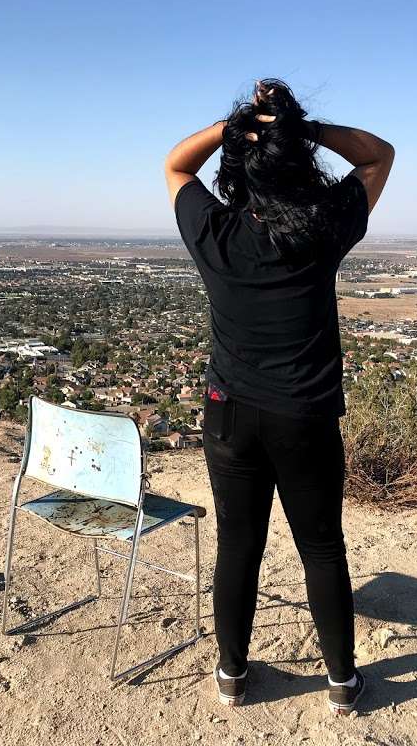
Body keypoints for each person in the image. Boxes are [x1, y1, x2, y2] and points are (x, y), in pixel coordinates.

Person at [164, 79, 393, 715]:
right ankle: (343, 683)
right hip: (305, 416)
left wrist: (241, 125)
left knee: (239, 543)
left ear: (239, 166)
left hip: (229, 412)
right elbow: (378, 155)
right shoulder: (322, 229)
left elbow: (177, 163)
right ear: (300, 167)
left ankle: (232, 675)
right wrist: (299, 129)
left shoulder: (213, 231)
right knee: (321, 547)